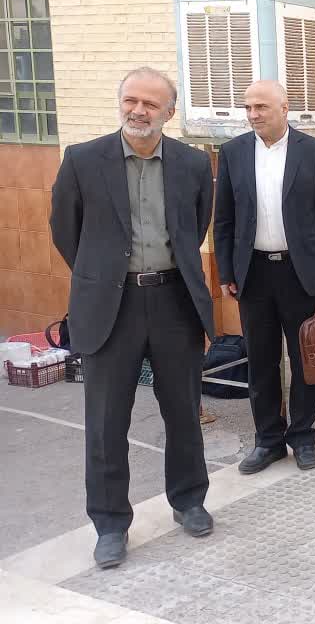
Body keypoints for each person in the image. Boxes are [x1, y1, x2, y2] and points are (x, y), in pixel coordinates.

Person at [50, 67, 217, 568]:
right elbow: (66, 231)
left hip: (173, 302)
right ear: (120, 102)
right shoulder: (83, 159)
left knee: (183, 411)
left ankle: (189, 500)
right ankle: (109, 524)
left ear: (170, 112)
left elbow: (196, 226)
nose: (138, 111)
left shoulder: (192, 163)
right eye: (130, 100)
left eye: (150, 104)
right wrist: (102, 276)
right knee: (105, 421)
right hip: (110, 305)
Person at [213, 81, 315, 472]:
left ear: (284, 108)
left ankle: (302, 437)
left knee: (306, 359)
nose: (253, 114)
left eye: (261, 107)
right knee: (261, 360)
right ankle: (268, 440)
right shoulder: (233, 152)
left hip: (301, 273)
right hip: (252, 273)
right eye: (248, 108)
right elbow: (224, 219)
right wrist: (226, 270)